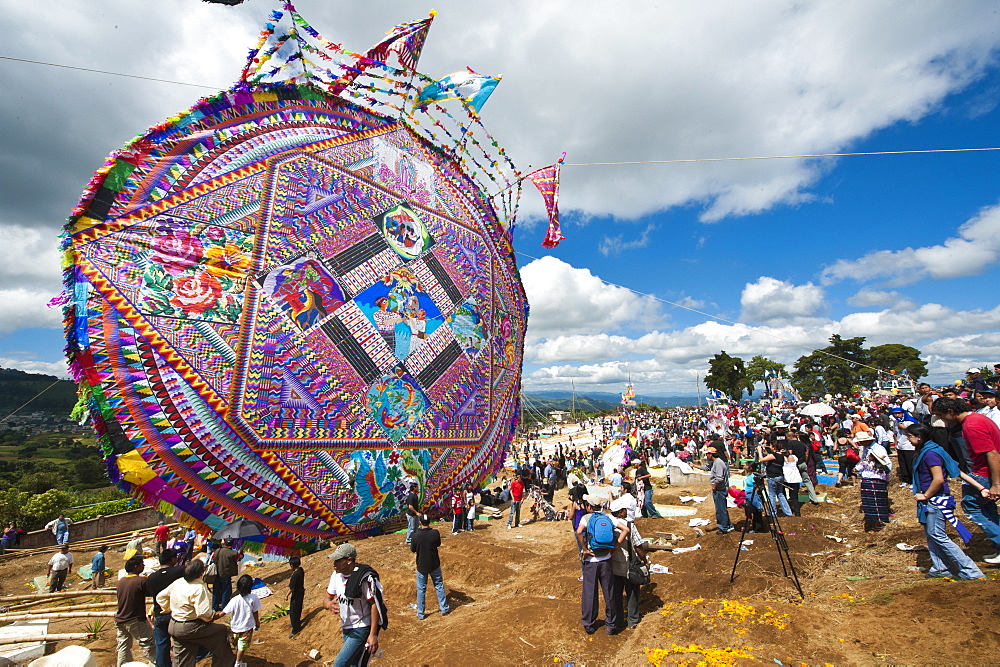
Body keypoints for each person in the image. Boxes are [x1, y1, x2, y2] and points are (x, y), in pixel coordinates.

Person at [906, 424, 986, 579]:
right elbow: (957, 471)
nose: (907, 439)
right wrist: (980, 487)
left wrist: (926, 495)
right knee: (931, 534)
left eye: (909, 436)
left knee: (937, 534)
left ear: (919, 437)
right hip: (932, 499)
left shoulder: (930, 454)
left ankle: (970, 570)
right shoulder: (931, 450)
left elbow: (938, 479)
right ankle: (941, 567)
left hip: (936, 500)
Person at [932, 397, 1000, 564]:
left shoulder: (972, 425)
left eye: (941, 415)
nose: (942, 420)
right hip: (984, 472)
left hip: (983, 473)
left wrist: (996, 484)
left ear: (951, 412)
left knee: (972, 507)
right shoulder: (978, 418)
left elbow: (991, 453)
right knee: (988, 509)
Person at [156, 559, 235, 667]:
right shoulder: (198, 588)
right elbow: (203, 613)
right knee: (220, 631)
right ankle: (223, 664)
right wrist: (214, 616)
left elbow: (160, 597)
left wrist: (168, 608)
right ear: (200, 573)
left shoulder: (178, 582)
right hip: (189, 626)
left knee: (183, 656)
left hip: (174, 625)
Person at [324, 543, 388, 667]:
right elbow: (327, 598)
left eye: (338, 560)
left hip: (361, 627)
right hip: (346, 627)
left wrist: (373, 634)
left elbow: (374, 604)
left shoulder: (363, 578)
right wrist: (328, 604)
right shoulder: (336, 575)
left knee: (339, 664)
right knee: (353, 664)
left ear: (349, 560)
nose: (334, 564)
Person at [575, 496, 620, 635]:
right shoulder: (608, 517)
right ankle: (611, 624)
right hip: (606, 559)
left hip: (591, 562)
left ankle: (589, 624)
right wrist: (615, 547)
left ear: (589, 506)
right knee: (609, 592)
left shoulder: (586, 518)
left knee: (590, 593)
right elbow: (625, 529)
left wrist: (584, 549)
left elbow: (578, 532)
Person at [608, 496, 648, 630]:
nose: (626, 512)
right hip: (629, 565)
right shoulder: (629, 525)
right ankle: (633, 620)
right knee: (632, 593)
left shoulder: (609, 525)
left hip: (614, 565)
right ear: (620, 512)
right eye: (624, 510)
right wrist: (645, 561)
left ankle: (618, 621)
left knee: (616, 595)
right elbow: (638, 546)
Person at [146, 549, 186, 667]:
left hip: (159, 614)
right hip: (177, 613)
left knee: (161, 644)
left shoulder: (152, 577)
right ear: (172, 559)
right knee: (181, 643)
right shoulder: (179, 571)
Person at [115, 555, 156, 667]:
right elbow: (150, 592)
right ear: (136, 566)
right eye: (142, 564)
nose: (143, 566)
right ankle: (157, 663)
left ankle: (122, 664)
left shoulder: (121, 581)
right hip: (135, 618)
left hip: (120, 618)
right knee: (149, 644)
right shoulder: (141, 581)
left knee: (123, 645)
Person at [409, 513, 451, 620]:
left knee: (421, 589)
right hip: (434, 563)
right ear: (429, 522)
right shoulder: (435, 533)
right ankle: (444, 608)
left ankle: (421, 613)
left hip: (422, 565)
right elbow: (438, 544)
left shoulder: (415, 536)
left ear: (420, 522)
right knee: (439, 585)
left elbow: (413, 549)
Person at [854, 431, 892, 530]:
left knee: (873, 504)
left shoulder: (877, 450)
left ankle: (875, 524)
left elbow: (858, 468)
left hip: (871, 480)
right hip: (877, 481)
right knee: (876, 503)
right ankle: (877, 523)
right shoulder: (867, 449)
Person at [222, 574, 261, 667]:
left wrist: (213, 616)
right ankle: (238, 663)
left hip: (234, 627)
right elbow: (255, 612)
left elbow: (224, 612)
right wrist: (257, 622)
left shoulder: (234, 599)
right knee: (242, 647)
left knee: (237, 646)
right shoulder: (253, 598)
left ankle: (238, 660)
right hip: (246, 628)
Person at [758, 442, 792, 517]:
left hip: (772, 477)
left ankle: (772, 513)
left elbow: (761, 459)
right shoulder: (781, 455)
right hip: (780, 476)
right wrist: (765, 451)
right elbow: (770, 457)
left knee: (772, 495)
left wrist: (759, 451)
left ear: (774, 447)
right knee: (780, 494)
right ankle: (788, 512)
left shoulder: (774, 455)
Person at [706, 447, 734, 533]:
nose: (706, 456)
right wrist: (694, 465)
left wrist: (714, 486)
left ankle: (724, 527)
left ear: (711, 454)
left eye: (707, 454)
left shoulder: (718, 463)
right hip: (720, 489)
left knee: (720, 510)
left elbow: (719, 478)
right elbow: (707, 468)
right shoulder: (716, 462)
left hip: (720, 490)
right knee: (722, 508)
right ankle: (728, 525)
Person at [211, 539, 241, 611]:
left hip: (216, 574)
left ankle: (214, 607)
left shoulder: (217, 551)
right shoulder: (233, 553)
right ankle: (225, 607)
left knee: (216, 590)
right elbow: (238, 558)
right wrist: (241, 554)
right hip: (225, 574)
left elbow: (212, 557)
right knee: (226, 591)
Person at [287, 555, 305, 638]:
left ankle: (296, 629)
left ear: (292, 566)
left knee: (293, 611)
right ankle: (296, 622)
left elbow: (292, 588)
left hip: (296, 593)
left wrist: (287, 595)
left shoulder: (295, 575)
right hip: (301, 592)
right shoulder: (301, 570)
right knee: (298, 608)